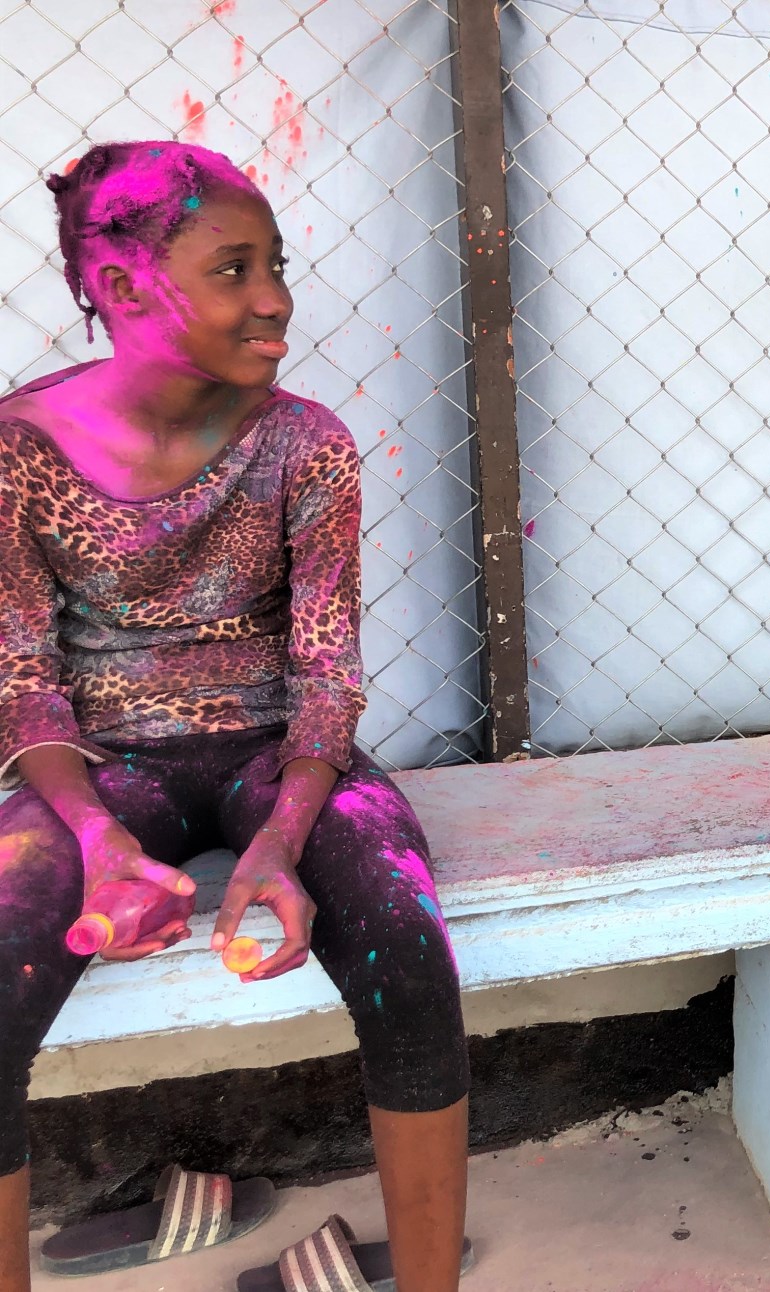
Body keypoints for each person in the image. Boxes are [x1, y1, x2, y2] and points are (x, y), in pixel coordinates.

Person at [0, 141, 471, 1291]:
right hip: (100, 762)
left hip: (281, 753)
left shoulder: (306, 442)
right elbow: (23, 680)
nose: (275, 300)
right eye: (233, 270)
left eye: (276, 266)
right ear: (123, 287)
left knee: (409, 950)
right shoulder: (18, 447)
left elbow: (326, 673)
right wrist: (98, 835)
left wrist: (280, 837)